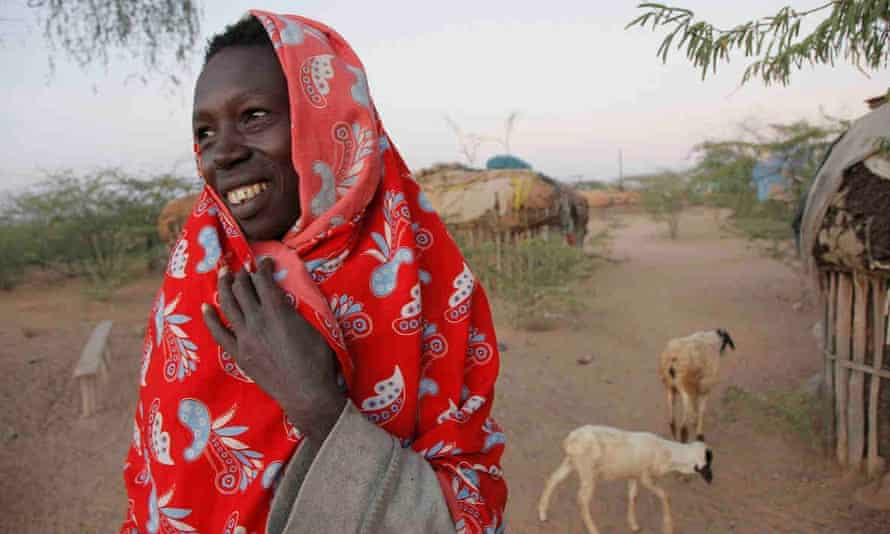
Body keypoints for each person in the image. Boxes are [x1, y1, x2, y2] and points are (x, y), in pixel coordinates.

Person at [119, 10, 507, 534]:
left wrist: (320, 408)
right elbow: (157, 487)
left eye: (254, 116)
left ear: (329, 120)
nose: (223, 154)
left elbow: (473, 513)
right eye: (205, 132)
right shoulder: (195, 288)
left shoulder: (435, 288)